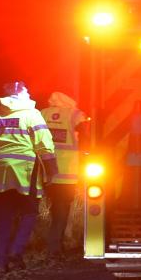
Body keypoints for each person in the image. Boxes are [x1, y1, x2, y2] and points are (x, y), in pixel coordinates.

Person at [0, 81, 57, 272]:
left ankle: (0, 262)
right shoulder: (32, 114)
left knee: (3, 218)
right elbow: (44, 144)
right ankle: (16, 252)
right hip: (24, 169)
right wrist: (52, 169)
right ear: (25, 95)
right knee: (29, 212)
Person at [41, 91, 89, 259]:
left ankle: (55, 245)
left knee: (56, 208)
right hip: (67, 171)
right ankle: (54, 248)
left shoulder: (43, 113)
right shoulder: (75, 114)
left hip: (46, 170)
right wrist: (87, 152)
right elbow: (85, 134)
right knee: (62, 209)